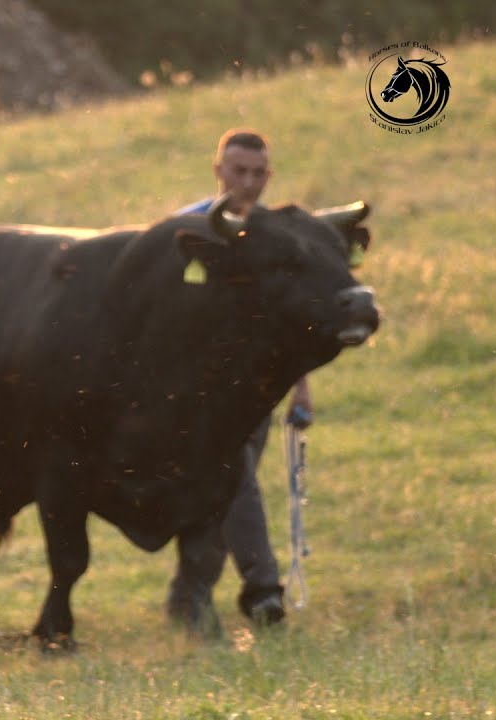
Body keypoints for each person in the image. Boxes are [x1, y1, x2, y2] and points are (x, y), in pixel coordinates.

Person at [171, 128, 313, 626]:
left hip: (257, 393)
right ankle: (262, 590)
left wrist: (300, 388)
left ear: (269, 176)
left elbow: (290, 324)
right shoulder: (187, 230)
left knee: (225, 491)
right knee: (234, 482)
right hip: (196, 392)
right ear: (218, 171)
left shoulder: (279, 240)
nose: (249, 183)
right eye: (239, 171)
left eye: (258, 174)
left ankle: (189, 598)